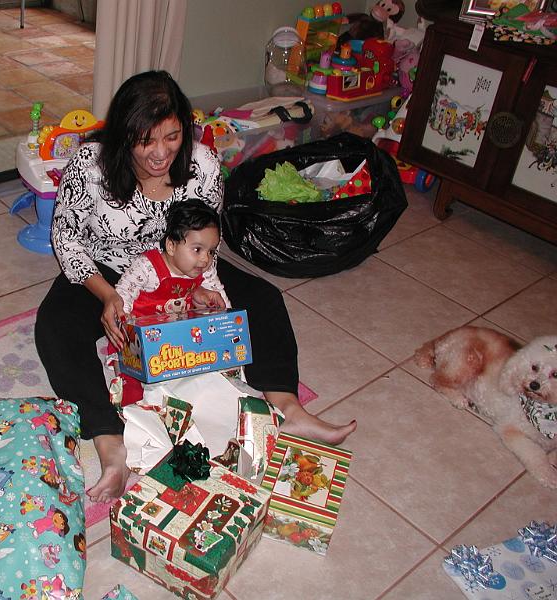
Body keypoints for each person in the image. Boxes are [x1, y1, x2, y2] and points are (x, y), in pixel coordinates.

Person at [35, 70, 356, 503]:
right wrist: (110, 296)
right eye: (145, 140)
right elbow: (68, 238)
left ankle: (287, 407)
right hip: (107, 270)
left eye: (171, 137)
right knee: (55, 326)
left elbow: (206, 240)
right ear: (123, 135)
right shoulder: (89, 164)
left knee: (263, 298)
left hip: (182, 268)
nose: (160, 153)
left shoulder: (203, 164)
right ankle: (111, 445)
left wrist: (205, 286)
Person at [109, 198, 230, 406]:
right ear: (171, 246)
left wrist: (226, 320)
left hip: (175, 334)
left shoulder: (205, 269)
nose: (205, 260)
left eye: (211, 251)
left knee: (200, 372)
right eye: (197, 249)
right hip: (139, 335)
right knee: (132, 378)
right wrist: (124, 320)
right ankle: (128, 399)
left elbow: (219, 293)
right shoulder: (147, 267)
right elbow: (123, 293)